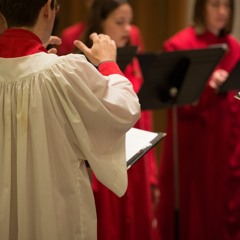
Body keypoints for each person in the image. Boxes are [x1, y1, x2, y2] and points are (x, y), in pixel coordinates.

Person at [0, 0, 141, 240]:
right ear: (48, 8)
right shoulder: (62, 72)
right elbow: (124, 109)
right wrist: (108, 63)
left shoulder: (55, 73)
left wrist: (39, 55)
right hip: (53, 212)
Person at [75, 1, 160, 240]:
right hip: (107, 165)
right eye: (119, 22)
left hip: (138, 163)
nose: (128, 29)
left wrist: (152, 175)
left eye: (130, 22)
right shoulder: (83, 64)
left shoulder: (132, 55)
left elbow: (146, 118)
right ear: (100, 23)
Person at [157, 0, 240, 240]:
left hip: (228, 146)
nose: (222, 12)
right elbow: (174, 102)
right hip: (195, 146)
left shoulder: (234, 47)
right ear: (201, 7)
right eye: (215, 5)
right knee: (195, 214)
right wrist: (206, 86)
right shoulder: (179, 45)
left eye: (227, 6)